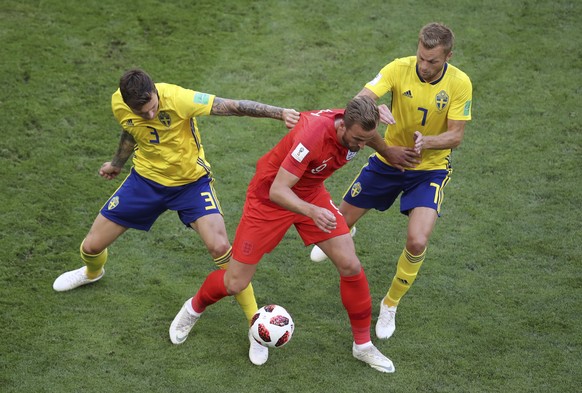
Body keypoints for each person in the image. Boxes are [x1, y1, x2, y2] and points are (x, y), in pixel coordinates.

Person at [52, 68, 300, 363]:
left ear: (155, 93)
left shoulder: (178, 98)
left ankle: (255, 326)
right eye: (141, 111)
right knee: (91, 247)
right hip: (145, 182)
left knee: (221, 247)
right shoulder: (120, 104)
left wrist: (280, 112)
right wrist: (117, 162)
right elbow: (131, 131)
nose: (149, 115)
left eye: (152, 108)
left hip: (190, 185)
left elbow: (233, 106)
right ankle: (93, 273)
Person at [169, 96, 398, 373]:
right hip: (269, 199)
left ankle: (362, 346)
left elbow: (369, 137)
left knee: (350, 264)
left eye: (367, 139)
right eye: (359, 139)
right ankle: (193, 308)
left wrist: (389, 152)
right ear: (342, 127)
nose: (362, 146)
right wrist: (312, 212)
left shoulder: (357, 127)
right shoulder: (312, 137)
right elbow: (278, 190)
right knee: (235, 283)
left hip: (309, 193)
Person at [310, 22, 473, 341]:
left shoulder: (460, 83)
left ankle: (390, 304)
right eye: (421, 58)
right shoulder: (399, 69)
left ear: (448, 56)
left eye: (433, 62)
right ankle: (350, 227)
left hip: (430, 170)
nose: (424, 67)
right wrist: (374, 106)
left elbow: (456, 135)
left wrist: (427, 142)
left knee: (417, 241)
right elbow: (358, 100)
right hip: (388, 160)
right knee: (336, 225)